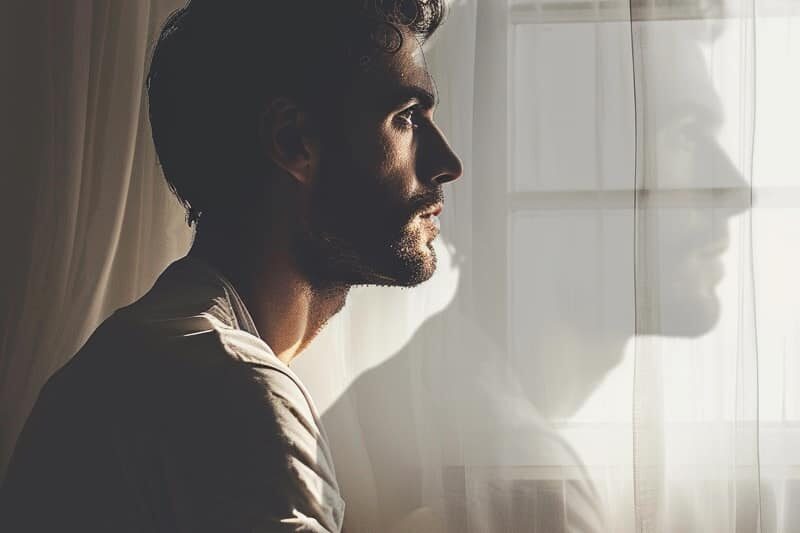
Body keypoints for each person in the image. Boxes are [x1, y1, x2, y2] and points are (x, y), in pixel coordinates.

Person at [0, 0, 462, 531]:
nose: (448, 163)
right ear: (292, 142)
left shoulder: (143, 354)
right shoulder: (234, 390)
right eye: (404, 117)